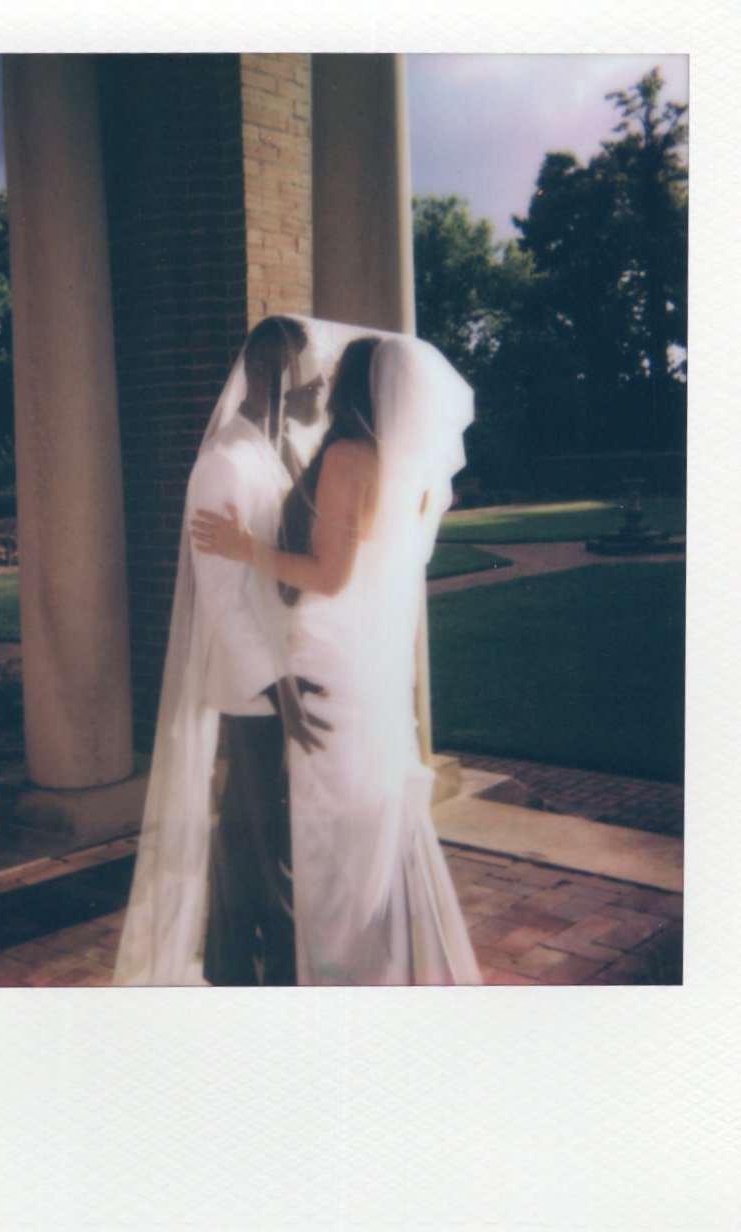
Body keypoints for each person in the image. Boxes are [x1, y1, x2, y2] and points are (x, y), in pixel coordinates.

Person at [191, 333, 482, 984]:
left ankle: (342, 973)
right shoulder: (402, 469)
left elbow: (329, 576)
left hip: (326, 657)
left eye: (333, 370)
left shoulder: (349, 456)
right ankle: (375, 962)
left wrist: (247, 548)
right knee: (354, 822)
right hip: (359, 661)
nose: (319, 377)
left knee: (328, 831)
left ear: (357, 385)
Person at [112, 316, 336, 986]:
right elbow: (223, 599)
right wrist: (279, 690)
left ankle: (232, 971)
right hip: (254, 692)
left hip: (280, 681)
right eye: (307, 374)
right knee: (267, 852)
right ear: (270, 371)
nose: (318, 389)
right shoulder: (221, 465)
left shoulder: (275, 449)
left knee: (248, 844)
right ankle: (263, 982)